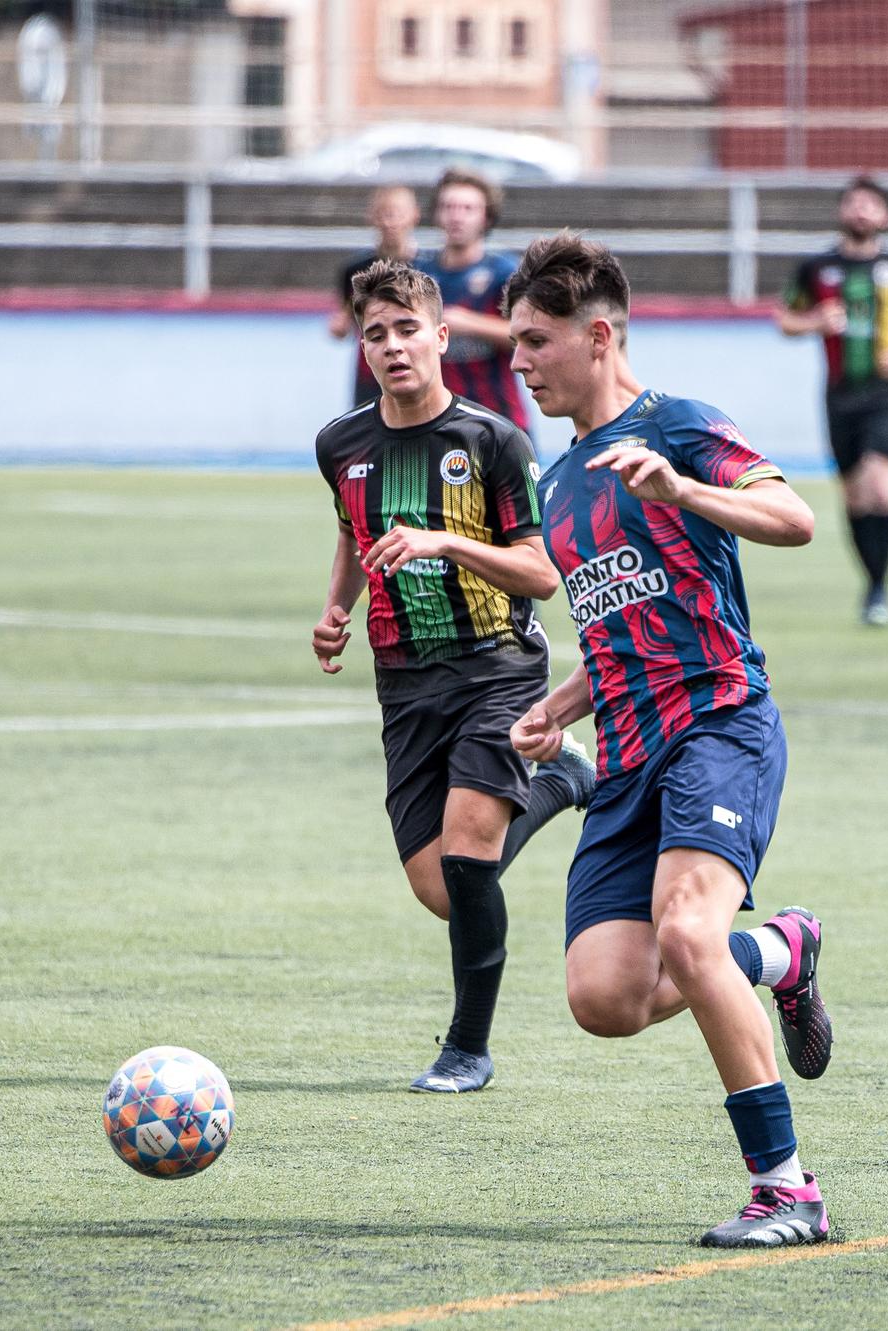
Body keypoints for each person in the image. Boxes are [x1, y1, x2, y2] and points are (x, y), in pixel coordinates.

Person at [503, 232, 836, 1248]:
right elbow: (615, 628)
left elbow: (793, 516)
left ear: (596, 334)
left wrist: (683, 491)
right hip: (628, 756)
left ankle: (786, 1190)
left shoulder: (678, 426)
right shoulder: (558, 485)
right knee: (603, 997)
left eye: (534, 341)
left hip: (719, 724)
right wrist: (561, 709)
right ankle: (779, 951)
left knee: (684, 935)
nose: (518, 361)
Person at [312, 258, 595, 1095]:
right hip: (404, 682)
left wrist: (443, 542)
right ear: (363, 347)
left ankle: (467, 1049)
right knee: (442, 888)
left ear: (442, 336)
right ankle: (568, 778)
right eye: (376, 334)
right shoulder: (341, 443)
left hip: (496, 671)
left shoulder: (492, 440)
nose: (393, 346)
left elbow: (541, 573)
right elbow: (351, 530)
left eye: (408, 330)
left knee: (471, 855)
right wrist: (336, 609)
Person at [778, 175, 888, 628]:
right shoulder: (816, 269)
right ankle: (872, 584)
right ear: (842, 212)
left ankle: (880, 587)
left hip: (886, 394)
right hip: (839, 395)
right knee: (855, 496)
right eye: (854, 203)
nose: (861, 211)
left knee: (881, 485)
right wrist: (814, 321)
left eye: (870, 204)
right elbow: (785, 320)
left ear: (884, 216)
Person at [414, 169, 529, 431]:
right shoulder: (419, 275)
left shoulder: (506, 272)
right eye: (448, 207)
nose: (457, 216)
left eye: (467, 208)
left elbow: (527, 335)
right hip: (438, 419)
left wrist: (467, 323)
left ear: (486, 216)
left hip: (500, 416)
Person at [330, 185, 421, 407]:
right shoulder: (355, 270)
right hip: (371, 372)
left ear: (414, 216)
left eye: (398, 214)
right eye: (384, 214)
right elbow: (344, 321)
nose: (391, 222)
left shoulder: (426, 268)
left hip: (416, 368)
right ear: (372, 217)